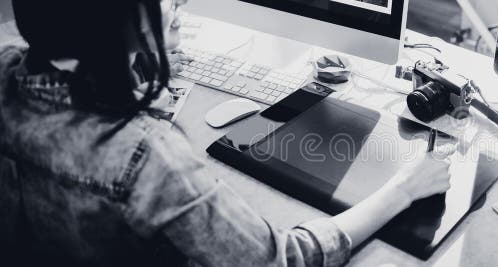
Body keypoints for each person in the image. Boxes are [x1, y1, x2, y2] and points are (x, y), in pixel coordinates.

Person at [0, 0, 453, 266]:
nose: (176, 2)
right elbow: (287, 258)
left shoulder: (7, 73)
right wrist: (402, 190)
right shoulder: (146, 158)